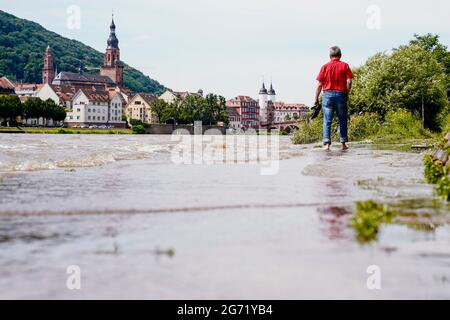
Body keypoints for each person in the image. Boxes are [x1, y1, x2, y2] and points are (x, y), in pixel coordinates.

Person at [314, 46, 353, 151]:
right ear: (340, 55)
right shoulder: (345, 66)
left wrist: (316, 99)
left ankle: (326, 144)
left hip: (327, 96)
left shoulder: (325, 67)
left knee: (327, 120)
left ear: (330, 56)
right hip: (341, 95)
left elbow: (319, 85)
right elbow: (349, 81)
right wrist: (347, 93)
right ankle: (343, 143)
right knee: (342, 119)